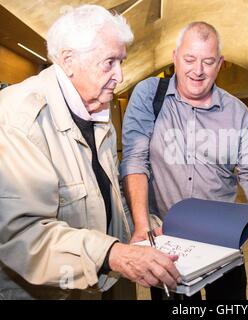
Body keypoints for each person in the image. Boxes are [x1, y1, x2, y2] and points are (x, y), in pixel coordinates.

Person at [0, 5, 180, 300]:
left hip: (98, 281)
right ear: (69, 60)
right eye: (110, 62)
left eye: (121, 62)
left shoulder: (95, 114)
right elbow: (22, 236)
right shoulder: (18, 119)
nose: (120, 76)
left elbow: (104, 195)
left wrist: (141, 229)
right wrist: (113, 254)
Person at [121, 21, 248, 300]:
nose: (197, 71)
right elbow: (135, 160)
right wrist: (141, 226)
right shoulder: (149, 95)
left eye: (208, 62)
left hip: (224, 242)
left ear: (219, 63)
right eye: (189, 59)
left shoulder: (238, 113)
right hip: (167, 240)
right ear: (174, 57)